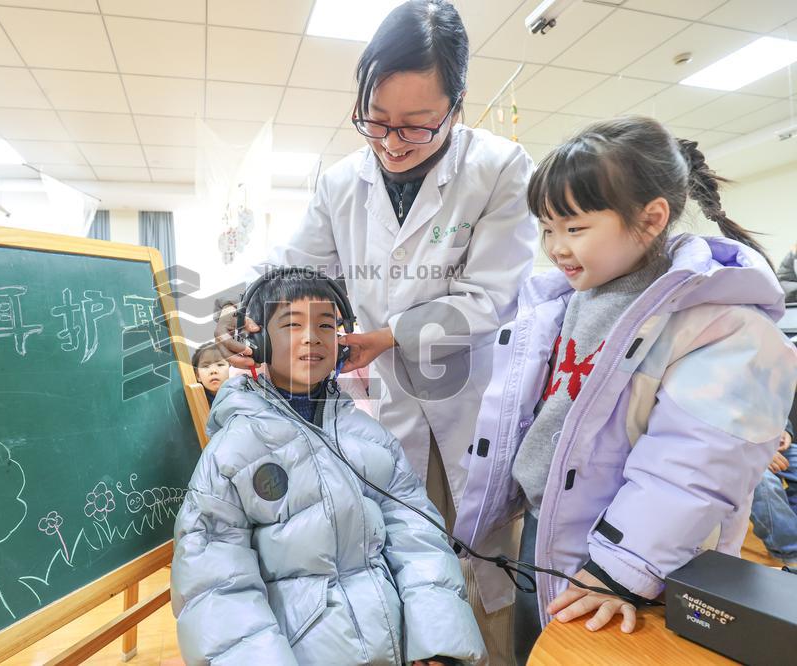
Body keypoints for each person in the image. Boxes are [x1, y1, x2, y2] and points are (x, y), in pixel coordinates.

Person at [215, 4, 537, 659]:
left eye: (416, 126)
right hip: (386, 410)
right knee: (400, 563)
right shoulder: (342, 182)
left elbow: (492, 298)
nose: (392, 143)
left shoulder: (499, 168)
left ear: (457, 107)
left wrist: (386, 336)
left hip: (468, 404)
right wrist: (238, 305)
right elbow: (294, 264)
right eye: (376, 121)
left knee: (480, 579)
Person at [452, 116, 797, 664]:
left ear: (651, 219)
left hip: (638, 554)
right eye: (547, 229)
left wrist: (622, 569)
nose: (556, 248)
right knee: (532, 649)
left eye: (574, 228)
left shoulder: (722, 324)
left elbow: (694, 466)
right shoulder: (567, 300)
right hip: (546, 524)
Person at [171, 271, 486, 665]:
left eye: (325, 325)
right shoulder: (233, 452)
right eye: (292, 325)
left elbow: (418, 538)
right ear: (257, 344)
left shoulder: (372, 438)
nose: (312, 337)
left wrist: (437, 641)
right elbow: (215, 586)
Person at [750, 421, 797, 570]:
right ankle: (791, 554)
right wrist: (757, 450)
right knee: (764, 483)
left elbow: (780, 411)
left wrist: (785, 430)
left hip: (767, 443)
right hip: (736, 448)